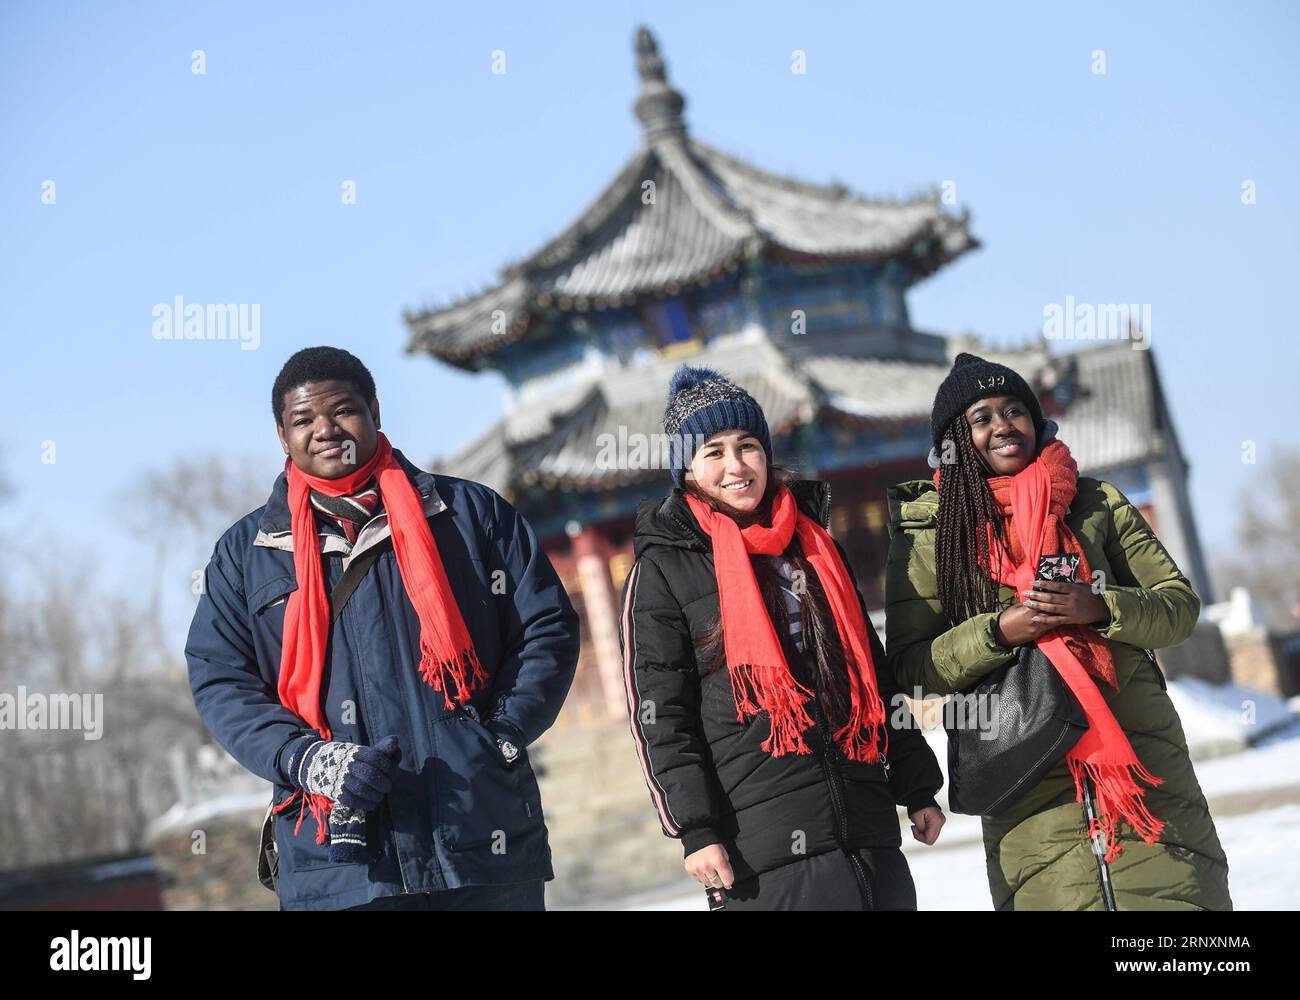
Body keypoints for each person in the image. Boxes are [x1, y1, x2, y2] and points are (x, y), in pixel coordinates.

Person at [185, 346, 579, 910]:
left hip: (478, 835)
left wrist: (499, 736)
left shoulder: (469, 515)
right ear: (282, 436)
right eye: (303, 420)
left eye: (342, 410)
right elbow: (221, 680)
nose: (324, 430)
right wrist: (302, 759)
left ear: (374, 410)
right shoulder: (246, 556)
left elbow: (546, 627)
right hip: (339, 865)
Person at [884, 352, 1232, 910]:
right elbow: (909, 669)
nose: (1002, 425)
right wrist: (999, 630)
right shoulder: (930, 537)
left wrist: (1099, 606)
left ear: (1037, 419)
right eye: (981, 417)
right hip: (1025, 783)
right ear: (955, 438)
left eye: (1014, 409)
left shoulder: (1096, 503)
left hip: (1142, 766)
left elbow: (1178, 609)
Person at [621, 366, 944, 910]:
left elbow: (873, 673)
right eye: (714, 452)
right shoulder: (662, 573)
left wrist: (916, 786)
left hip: (866, 832)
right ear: (686, 469)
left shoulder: (815, 547)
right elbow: (661, 715)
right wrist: (696, 830)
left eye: (747, 446)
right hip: (760, 851)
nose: (736, 466)